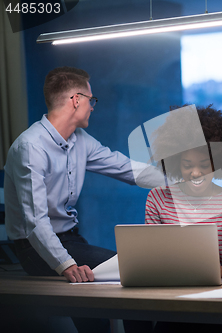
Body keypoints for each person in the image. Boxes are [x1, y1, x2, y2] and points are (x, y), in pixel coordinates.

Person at [4, 66, 138, 284]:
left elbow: (127, 169)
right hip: (34, 249)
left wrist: (182, 177)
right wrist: (65, 264)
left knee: (122, 280)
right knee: (131, 269)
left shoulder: (80, 139)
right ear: (76, 99)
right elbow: (35, 222)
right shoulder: (30, 147)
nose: (92, 108)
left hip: (72, 240)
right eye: (91, 100)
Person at [145, 105, 222, 279]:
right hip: (169, 287)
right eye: (187, 165)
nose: (195, 173)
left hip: (218, 292)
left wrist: (207, 274)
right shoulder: (158, 198)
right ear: (176, 163)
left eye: (204, 165)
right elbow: (151, 257)